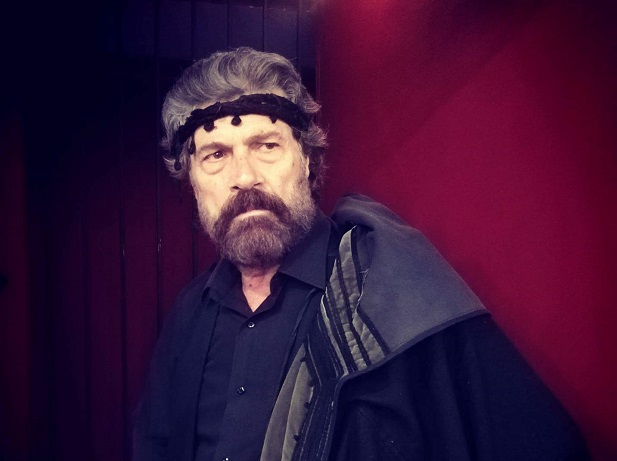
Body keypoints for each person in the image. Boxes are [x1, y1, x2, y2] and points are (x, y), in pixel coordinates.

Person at [133, 47, 590, 461]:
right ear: (191, 180)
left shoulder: (395, 290)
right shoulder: (188, 313)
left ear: (306, 160)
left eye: (266, 146)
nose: (244, 176)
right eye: (215, 155)